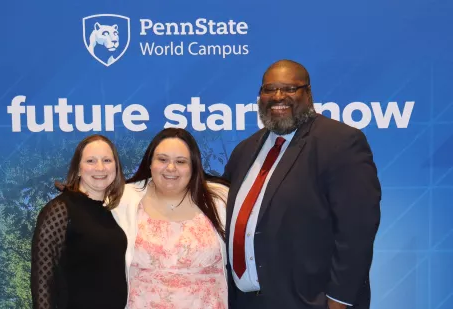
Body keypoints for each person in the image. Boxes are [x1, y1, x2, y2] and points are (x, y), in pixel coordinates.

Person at [223, 60, 381, 309]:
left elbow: (357, 229)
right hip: (246, 301)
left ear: (308, 93)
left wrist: (340, 300)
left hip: (311, 301)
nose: (278, 96)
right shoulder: (245, 150)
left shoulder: (340, 142)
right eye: (269, 89)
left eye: (289, 88)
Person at [115, 128, 229, 309]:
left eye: (181, 161)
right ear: (150, 162)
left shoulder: (221, 199)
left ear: (193, 166)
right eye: (162, 159)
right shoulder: (121, 199)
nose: (171, 168)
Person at [30, 135, 127, 309]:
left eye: (107, 160)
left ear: (116, 167)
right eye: (91, 160)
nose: (100, 167)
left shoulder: (110, 212)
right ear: (79, 169)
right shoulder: (60, 209)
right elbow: (42, 279)